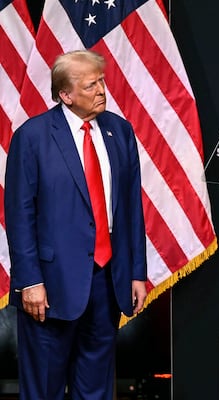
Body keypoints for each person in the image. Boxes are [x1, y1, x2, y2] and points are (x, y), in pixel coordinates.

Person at [4, 50, 147, 400]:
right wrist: (30, 282)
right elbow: (19, 215)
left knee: (96, 387)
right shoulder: (33, 136)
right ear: (66, 95)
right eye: (91, 85)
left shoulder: (119, 130)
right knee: (44, 389)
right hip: (50, 287)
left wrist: (136, 272)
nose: (102, 90)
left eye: (101, 81)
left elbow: (131, 208)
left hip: (107, 281)